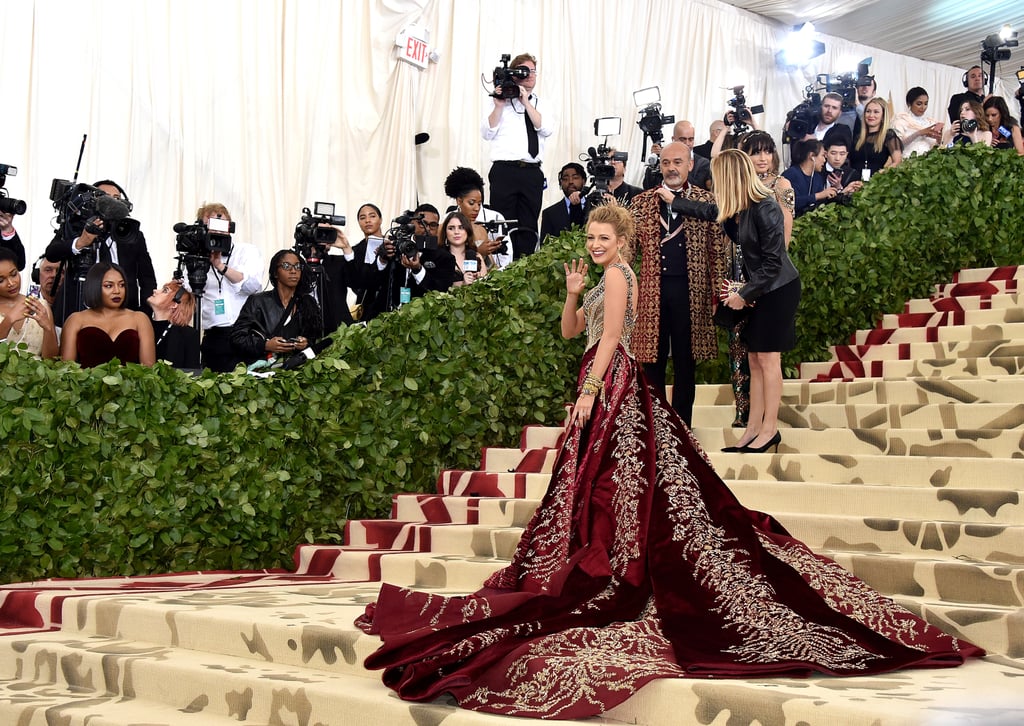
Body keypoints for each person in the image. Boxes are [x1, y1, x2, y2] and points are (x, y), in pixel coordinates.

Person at [356, 202, 983, 721]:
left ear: (623, 239)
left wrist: (585, 393)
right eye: (592, 238)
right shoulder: (601, 278)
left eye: (604, 238)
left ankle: (617, 565)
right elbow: (574, 332)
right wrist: (574, 294)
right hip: (601, 385)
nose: (596, 245)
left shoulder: (626, 275)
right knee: (598, 490)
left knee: (623, 490)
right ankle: (598, 556)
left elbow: (608, 343)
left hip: (616, 387)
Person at [630, 141, 726, 426]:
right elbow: (628, 253)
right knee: (652, 361)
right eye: (666, 163)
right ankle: (656, 427)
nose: (671, 168)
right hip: (652, 293)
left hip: (691, 293)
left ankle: (682, 426)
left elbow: (717, 252)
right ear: (659, 166)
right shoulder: (641, 202)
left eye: (677, 162)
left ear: (690, 165)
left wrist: (718, 296)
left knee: (687, 361)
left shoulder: (706, 201)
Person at [44, 180, 157, 326]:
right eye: (105, 197)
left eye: (117, 199)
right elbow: (52, 253)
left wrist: (144, 314)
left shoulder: (131, 234)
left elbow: (147, 279)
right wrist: (81, 242)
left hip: (124, 316)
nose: (112, 203)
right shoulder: (76, 226)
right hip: (76, 311)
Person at [481, 52, 554, 260]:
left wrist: (526, 102)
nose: (529, 75)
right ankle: (502, 267)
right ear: (513, 74)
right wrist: (498, 105)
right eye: (524, 71)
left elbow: (545, 128)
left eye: (533, 71)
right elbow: (487, 132)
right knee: (502, 224)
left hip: (531, 172)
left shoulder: (541, 104)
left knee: (529, 224)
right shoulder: (499, 101)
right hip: (504, 171)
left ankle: (526, 267)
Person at [190, 203, 264, 372]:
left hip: (247, 332)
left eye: (222, 225)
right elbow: (189, 292)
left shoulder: (246, 251)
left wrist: (220, 266)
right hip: (215, 336)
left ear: (230, 227)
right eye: (212, 227)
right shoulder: (195, 258)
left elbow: (253, 286)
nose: (218, 232)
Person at [230, 250, 322, 365]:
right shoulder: (258, 301)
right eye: (286, 266)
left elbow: (315, 338)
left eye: (298, 266)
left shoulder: (307, 303)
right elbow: (237, 338)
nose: (293, 271)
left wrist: (305, 343)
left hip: (294, 370)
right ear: (275, 273)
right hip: (262, 371)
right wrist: (265, 345)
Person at [60, 262, 155, 367]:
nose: (117, 291)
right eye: (109, 286)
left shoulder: (140, 319)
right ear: (94, 286)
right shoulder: (76, 320)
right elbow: (66, 370)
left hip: (131, 383)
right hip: (85, 383)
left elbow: (148, 371)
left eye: (122, 285)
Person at [443, 167, 510, 270]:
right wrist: (477, 251)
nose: (477, 208)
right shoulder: (446, 222)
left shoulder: (481, 229)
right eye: (471, 203)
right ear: (459, 201)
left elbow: (491, 266)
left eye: (479, 204)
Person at [0, 248, 58, 358]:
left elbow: (51, 360)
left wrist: (48, 328)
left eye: (13, 274)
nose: (11, 283)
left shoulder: (40, 306)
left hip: (37, 374)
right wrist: (9, 320)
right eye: (1, 280)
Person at [147, 280, 200, 369]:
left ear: (175, 304)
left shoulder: (188, 335)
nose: (155, 291)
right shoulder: (142, 325)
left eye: (165, 291)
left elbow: (192, 373)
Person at [849, 98, 902, 178]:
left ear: (883, 116)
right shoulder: (858, 137)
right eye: (868, 111)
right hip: (854, 183)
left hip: (874, 184)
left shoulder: (888, 136)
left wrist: (881, 174)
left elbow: (897, 161)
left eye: (876, 112)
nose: (871, 115)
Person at [782, 138, 832, 216]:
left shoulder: (818, 178)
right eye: (822, 155)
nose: (824, 160)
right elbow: (789, 202)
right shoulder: (791, 174)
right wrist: (817, 196)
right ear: (812, 156)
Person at [539, 163, 588, 243]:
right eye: (565, 179)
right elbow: (544, 246)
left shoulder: (595, 207)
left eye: (575, 178)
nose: (570, 182)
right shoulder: (550, 213)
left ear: (584, 181)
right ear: (560, 183)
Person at [891, 87, 945, 158]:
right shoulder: (900, 121)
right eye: (919, 104)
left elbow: (934, 148)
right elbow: (896, 146)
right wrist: (919, 133)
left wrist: (938, 140)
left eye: (926, 104)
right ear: (909, 104)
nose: (923, 107)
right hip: (906, 163)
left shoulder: (931, 123)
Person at [439, 211, 487, 287]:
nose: (456, 232)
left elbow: (486, 285)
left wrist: (478, 279)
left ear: (467, 231)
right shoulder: (439, 257)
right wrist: (462, 284)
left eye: (461, 228)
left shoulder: (476, 256)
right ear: (445, 232)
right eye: (451, 228)